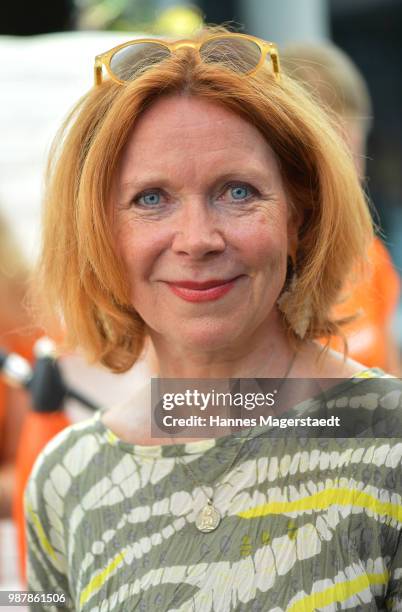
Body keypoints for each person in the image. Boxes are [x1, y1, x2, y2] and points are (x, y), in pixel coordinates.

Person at [24, 28, 402, 611]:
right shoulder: (66, 481)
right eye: (151, 198)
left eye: (237, 191)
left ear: (297, 218)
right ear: (100, 233)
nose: (197, 240)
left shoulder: (390, 447)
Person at [281, 42, 401, 374]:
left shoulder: (369, 257)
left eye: (351, 159)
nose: (341, 185)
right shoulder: (264, 283)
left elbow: (392, 377)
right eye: (324, 167)